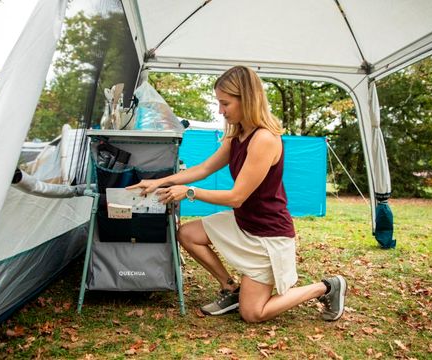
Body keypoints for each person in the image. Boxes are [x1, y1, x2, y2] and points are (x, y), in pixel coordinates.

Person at [127, 66, 347, 323]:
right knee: (187, 234)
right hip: (244, 222)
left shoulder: (264, 139)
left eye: (225, 103)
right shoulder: (237, 135)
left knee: (253, 314)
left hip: (268, 235)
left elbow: (236, 197)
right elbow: (205, 168)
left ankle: (327, 287)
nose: (221, 110)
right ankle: (231, 288)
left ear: (247, 99)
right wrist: (157, 182)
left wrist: (188, 192)